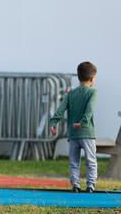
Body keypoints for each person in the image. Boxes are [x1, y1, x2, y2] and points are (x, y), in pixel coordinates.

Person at [50, 61, 98, 193]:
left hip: (73, 134)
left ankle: (75, 185)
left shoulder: (70, 94)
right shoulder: (93, 92)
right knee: (91, 160)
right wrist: (82, 122)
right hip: (87, 133)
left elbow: (60, 110)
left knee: (74, 161)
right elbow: (89, 110)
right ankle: (90, 185)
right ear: (92, 78)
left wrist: (53, 123)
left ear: (78, 77)